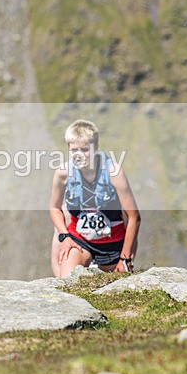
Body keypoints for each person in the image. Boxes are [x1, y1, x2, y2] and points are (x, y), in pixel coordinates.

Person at [49, 119, 140, 278]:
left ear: (96, 148)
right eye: (74, 150)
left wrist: (125, 258)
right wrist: (66, 237)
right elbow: (54, 208)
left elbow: (134, 217)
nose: (79, 155)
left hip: (113, 244)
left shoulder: (114, 173)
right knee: (66, 281)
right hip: (80, 242)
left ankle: (121, 261)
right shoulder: (62, 173)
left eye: (85, 150)